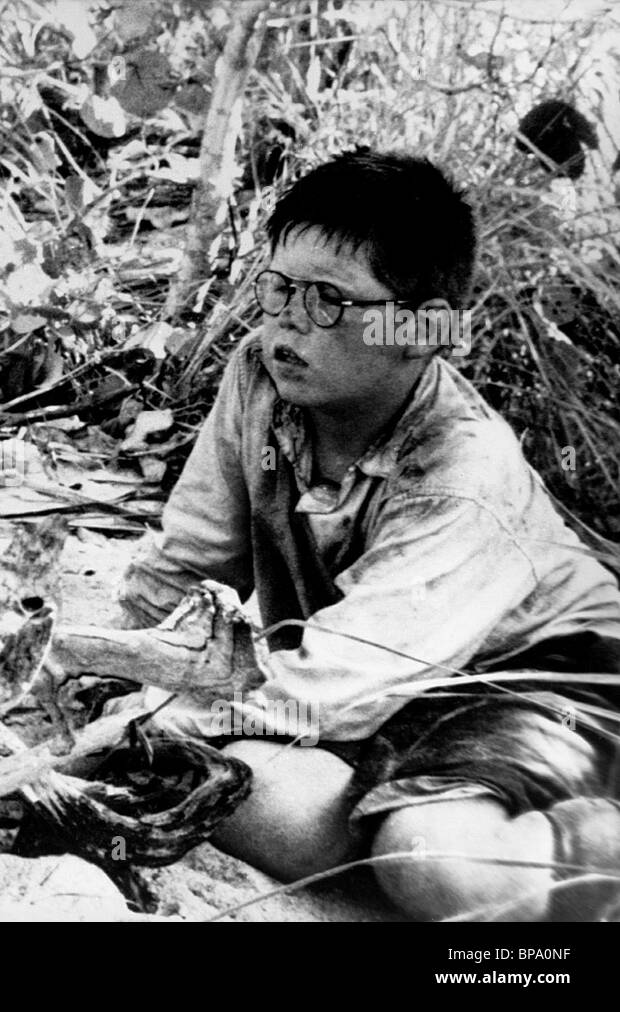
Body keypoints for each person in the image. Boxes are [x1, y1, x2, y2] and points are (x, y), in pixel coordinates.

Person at [119, 149, 620, 921]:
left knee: (435, 863)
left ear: (419, 328)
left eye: (326, 299)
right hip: (383, 683)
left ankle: (589, 848)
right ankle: (403, 827)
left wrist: (143, 720)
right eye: (278, 287)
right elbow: (189, 560)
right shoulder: (259, 375)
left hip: (543, 680)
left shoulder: (464, 467)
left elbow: (334, 688)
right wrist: (110, 670)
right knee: (228, 786)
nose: (287, 320)